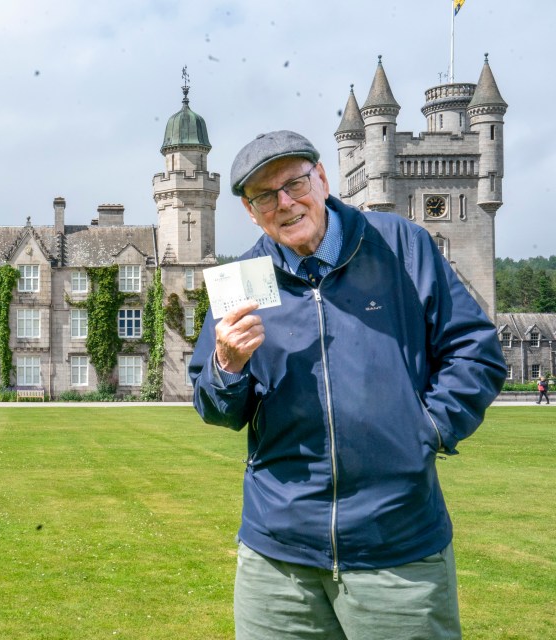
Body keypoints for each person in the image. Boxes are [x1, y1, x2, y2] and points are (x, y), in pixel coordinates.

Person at [189, 130, 506, 639]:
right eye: (265, 196)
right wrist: (226, 365)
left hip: (396, 547)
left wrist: (426, 429)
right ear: (251, 212)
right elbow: (216, 407)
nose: (285, 203)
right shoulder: (243, 279)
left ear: (323, 178)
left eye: (294, 183)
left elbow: (476, 351)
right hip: (278, 560)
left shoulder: (399, 245)